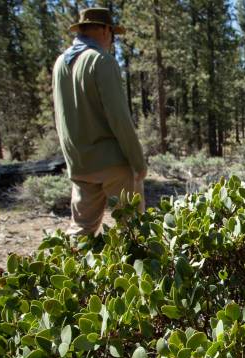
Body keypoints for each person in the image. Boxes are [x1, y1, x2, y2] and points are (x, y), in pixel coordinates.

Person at [52, 8, 147, 236]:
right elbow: (119, 118)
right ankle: (135, 271)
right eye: (113, 34)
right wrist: (138, 162)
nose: (112, 41)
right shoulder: (100, 61)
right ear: (105, 30)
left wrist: (73, 161)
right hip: (113, 163)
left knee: (81, 231)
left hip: (80, 163)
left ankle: (71, 271)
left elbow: (60, 118)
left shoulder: (60, 64)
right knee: (132, 230)